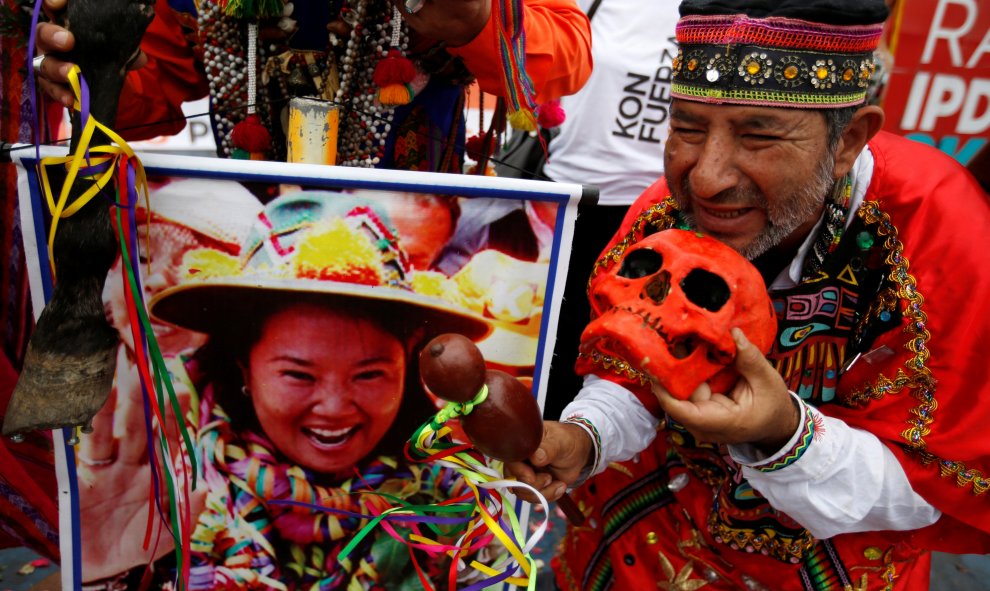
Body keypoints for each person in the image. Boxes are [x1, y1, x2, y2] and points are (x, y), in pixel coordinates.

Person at [506, 1, 990, 589]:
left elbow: (930, 480)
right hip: (644, 536)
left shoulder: (943, 237)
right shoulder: (663, 211)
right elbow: (629, 371)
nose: (706, 178)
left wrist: (782, 432)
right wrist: (584, 437)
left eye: (758, 135)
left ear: (848, 142)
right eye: (686, 127)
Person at [77, 191, 496, 589]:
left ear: (408, 367)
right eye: (298, 375)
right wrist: (105, 574)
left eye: (369, 375)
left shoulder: (453, 505)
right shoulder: (164, 490)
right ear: (244, 365)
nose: (334, 408)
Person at [33, 0, 592, 170]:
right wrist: (88, 72)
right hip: (240, 241)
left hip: (425, 246)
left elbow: (568, 55)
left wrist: (476, 21)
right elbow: (148, 96)